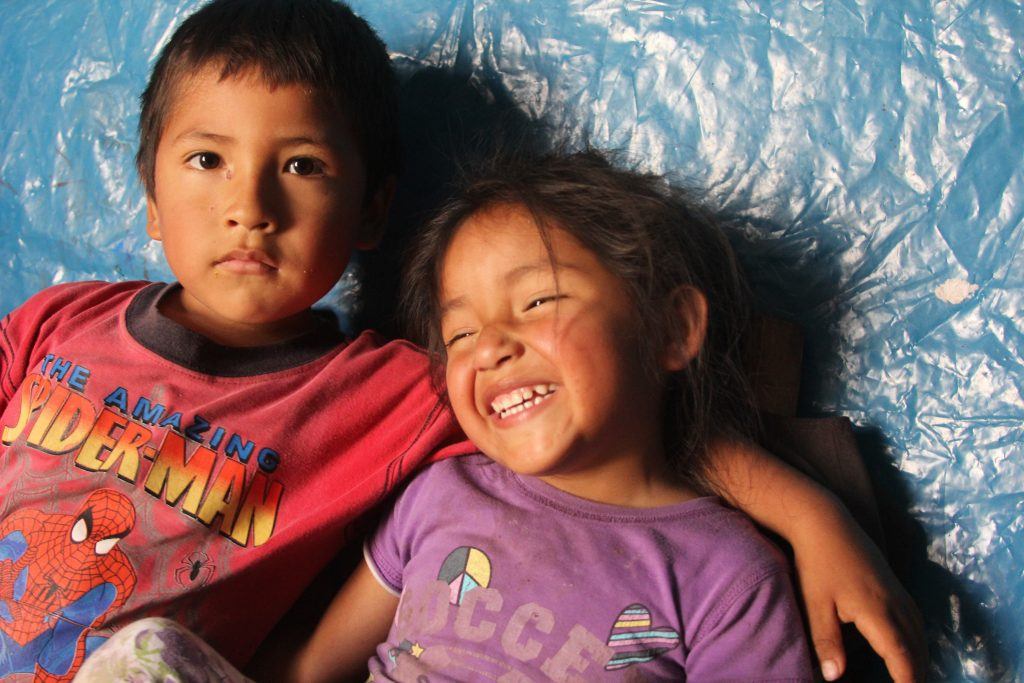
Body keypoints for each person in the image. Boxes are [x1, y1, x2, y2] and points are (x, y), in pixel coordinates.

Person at [0, 0, 922, 681]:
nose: (249, 206)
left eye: (302, 165)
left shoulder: (395, 395)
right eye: (207, 159)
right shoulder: (59, 319)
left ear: (371, 210)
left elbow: (612, 422)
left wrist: (808, 514)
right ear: (151, 201)